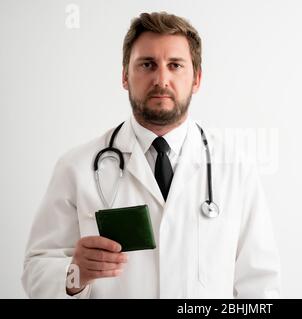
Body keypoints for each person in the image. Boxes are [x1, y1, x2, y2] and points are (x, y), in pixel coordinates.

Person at [22, 11, 281, 299]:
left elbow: (260, 286)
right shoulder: (76, 167)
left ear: (196, 79)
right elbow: (36, 270)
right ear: (124, 76)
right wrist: (73, 275)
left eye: (175, 65)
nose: (161, 79)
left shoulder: (234, 169)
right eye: (147, 64)